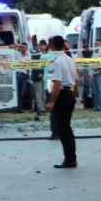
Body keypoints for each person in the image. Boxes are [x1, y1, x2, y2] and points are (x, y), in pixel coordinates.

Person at [45, 35, 79, 168]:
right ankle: (71, 157)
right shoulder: (70, 59)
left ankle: (70, 159)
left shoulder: (56, 61)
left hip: (62, 95)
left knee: (62, 129)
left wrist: (52, 102)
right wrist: (73, 95)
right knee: (67, 128)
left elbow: (57, 82)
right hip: (69, 93)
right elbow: (76, 80)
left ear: (52, 46)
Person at [30, 40, 49, 117]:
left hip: (45, 76)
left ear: (46, 46)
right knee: (38, 94)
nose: (42, 46)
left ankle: (43, 107)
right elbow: (34, 65)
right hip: (37, 76)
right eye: (40, 45)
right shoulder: (36, 54)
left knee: (44, 94)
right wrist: (38, 73)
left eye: (43, 45)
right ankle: (40, 109)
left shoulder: (47, 54)